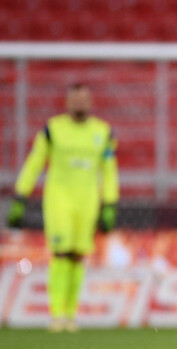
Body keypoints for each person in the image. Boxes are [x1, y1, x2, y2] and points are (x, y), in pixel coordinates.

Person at [7, 83, 119, 333]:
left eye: (83, 99)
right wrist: (20, 195)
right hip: (59, 200)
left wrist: (110, 203)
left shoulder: (103, 133)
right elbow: (34, 163)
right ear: (67, 102)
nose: (79, 103)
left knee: (78, 255)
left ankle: (71, 314)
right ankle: (57, 314)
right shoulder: (52, 130)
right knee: (61, 253)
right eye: (75, 99)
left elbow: (109, 171)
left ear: (90, 102)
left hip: (88, 201)